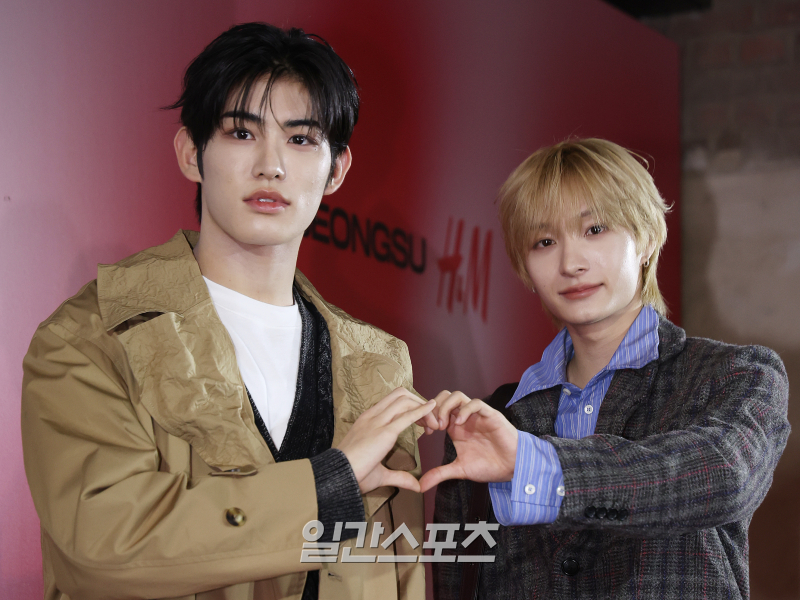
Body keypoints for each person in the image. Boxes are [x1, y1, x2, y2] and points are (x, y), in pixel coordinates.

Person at [21, 22, 436, 600]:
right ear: (191, 153)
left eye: (300, 139)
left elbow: (398, 569)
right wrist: (329, 484)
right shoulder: (92, 336)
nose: (271, 165)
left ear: (337, 170)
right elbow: (105, 544)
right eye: (242, 133)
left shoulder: (380, 366)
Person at [422, 138, 791, 599]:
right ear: (525, 268)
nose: (570, 263)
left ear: (647, 239)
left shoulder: (735, 374)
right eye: (544, 242)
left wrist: (536, 465)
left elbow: (725, 474)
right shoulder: (491, 421)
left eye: (594, 229)